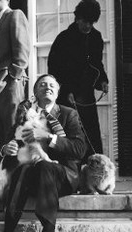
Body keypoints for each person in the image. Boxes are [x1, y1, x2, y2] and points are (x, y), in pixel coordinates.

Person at [0, 74, 87, 232]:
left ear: (58, 92)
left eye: (52, 85)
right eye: (43, 84)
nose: (48, 87)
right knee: (23, 169)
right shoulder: (25, 113)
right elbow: (11, 139)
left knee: (45, 166)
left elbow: (79, 149)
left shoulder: (68, 114)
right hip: (32, 175)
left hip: (63, 175)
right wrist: (7, 148)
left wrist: (48, 137)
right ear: (35, 92)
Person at [48, 0, 108, 161]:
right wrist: (66, 90)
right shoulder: (64, 38)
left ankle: (93, 172)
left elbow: (97, 64)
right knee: (69, 135)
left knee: (91, 134)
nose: (88, 26)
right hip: (66, 96)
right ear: (77, 18)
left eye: (91, 22)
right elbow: (53, 69)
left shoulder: (96, 37)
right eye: (85, 21)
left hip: (86, 95)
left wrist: (102, 80)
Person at [0, 0, 30, 178]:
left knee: (13, 133)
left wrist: (11, 78)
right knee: (0, 137)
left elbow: (22, 52)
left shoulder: (15, 15)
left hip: (9, 87)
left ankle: (14, 180)